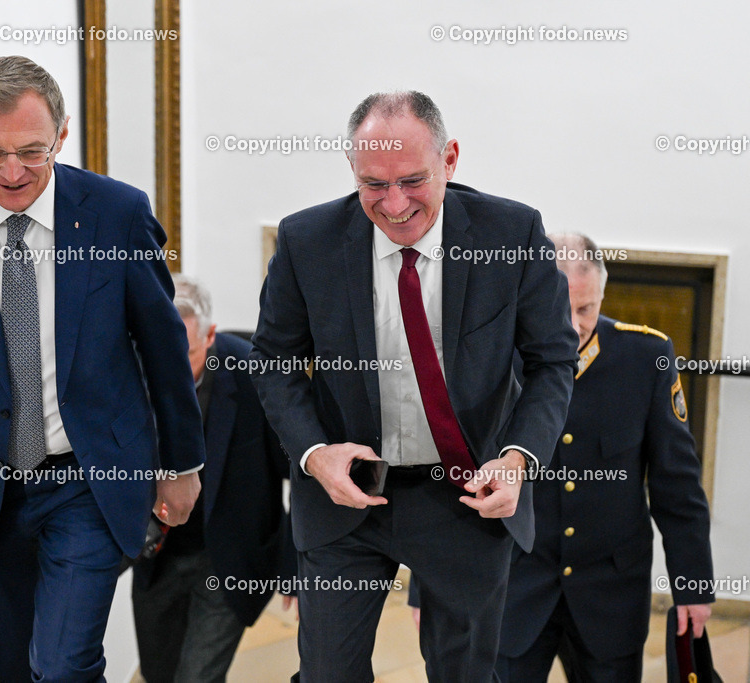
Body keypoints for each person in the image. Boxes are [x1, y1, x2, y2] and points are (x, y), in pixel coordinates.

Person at [0, 56, 205, 682]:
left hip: (89, 481)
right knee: (14, 669)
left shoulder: (117, 214)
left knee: (63, 664)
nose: (12, 172)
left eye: (31, 152)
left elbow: (163, 350)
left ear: (62, 136)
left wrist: (180, 464)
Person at [250, 90, 577, 682]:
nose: (395, 204)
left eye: (412, 181)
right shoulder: (306, 240)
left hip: (467, 492)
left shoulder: (513, 232)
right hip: (348, 490)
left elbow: (552, 360)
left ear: (449, 159)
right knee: (327, 674)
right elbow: (273, 360)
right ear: (352, 169)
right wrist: (315, 453)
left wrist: (518, 460)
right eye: (373, 184)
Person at [493, 233, 714, 681]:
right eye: (561, 309)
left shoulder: (646, 357)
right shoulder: (496, 356)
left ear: (602, 296)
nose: (574, 326)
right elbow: (457, 471)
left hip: (611, 596)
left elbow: (676, 484)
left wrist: (692, 584)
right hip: (515, 590)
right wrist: (425, 592)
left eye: (586, 309)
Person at [130, 274, 297, 683]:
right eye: (162, 353)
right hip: (159, 556)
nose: (172, 370)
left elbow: (302, 472)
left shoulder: (254, 375)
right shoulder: (132, 371)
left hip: (231, 558)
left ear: (209, 336)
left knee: (197, 678)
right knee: (158, 675)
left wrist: (295, 565)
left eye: (185, 353)